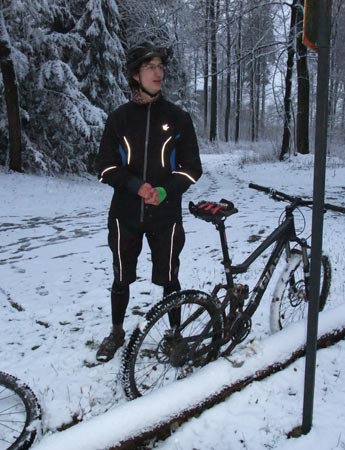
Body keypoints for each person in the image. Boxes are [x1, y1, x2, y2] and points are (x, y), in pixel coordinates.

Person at [95, 42, 202, 362]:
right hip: (124, 214)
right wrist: (135, 186)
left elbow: (192, 168)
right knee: (121, 276)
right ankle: (116, 332)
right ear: (135, 75)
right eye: (150, 67)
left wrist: (166, 191)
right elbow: (104, 166)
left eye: (160, 66)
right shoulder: (119, 119)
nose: (158, 72)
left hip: (166, 215)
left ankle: (174, 335)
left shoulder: (178, 118)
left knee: (169, 277)